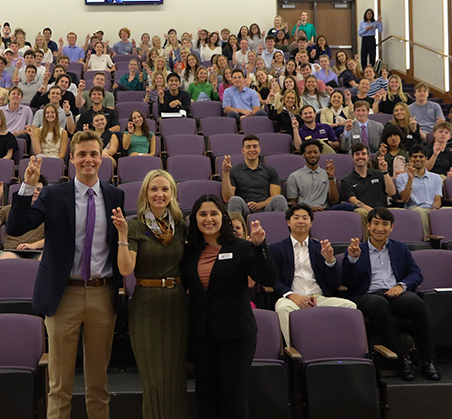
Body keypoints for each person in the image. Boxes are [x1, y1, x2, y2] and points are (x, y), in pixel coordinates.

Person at [6, 132, 125, 419]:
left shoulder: (115, 195)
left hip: (102, 294)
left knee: (98, 384)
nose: (88, 160)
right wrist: (27, 186)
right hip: (63, 296)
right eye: (81, 154)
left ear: (102, 158)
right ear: (71, 159)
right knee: (59, 385)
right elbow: (17, 227)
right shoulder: (53, 194)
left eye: (93, 154)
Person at [181, 194, 274, 419]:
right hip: (202, 334)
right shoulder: (189, 251)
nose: (208, 219)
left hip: (236, 335)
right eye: (203, 214)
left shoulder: (241, 247)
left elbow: (267, 278)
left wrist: (260, 246)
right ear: (195, 219)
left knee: (234, 398)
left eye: (214, 213)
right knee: (206, 396)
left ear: (223, 217)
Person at [108, 170, 189, 419]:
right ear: (145, 193)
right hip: (146, 305)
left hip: (176, 304)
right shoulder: (135, 225)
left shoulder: (181, 226)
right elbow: (125, 269)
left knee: (175, 379)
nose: (159, 194)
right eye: (154, 189)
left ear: (172, 193)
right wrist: (122, 234)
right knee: (153, 379)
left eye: (165, 189)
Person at [342, 208, 440, 381]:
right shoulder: (357, 249)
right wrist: (353, 259)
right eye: (376, 223)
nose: (380, 228)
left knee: (417, 303)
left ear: (391, 227)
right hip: (368, 294)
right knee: (379, 305)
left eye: (385, 224)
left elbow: (416, 273)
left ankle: (427, 359)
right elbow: (347, 282)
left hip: (395, 292)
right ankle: (403, 358)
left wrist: (401, 286)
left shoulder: (400, 248)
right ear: (368, 225)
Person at [270, 203, 357, 345]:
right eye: (296, 217)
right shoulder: (276, 249)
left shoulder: (319, 248)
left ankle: (338, 347)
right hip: (292, 299)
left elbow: (335, 283)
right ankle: (294, 350)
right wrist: (291, 295)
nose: (300, 221)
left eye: (305, 218)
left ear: (311, 223)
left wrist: (330, 260)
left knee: (350, 307)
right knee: (282, 308)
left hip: (318, 298)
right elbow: (274, 280)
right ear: (288, 222)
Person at [222, 135, 288, 217]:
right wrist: (225, 172)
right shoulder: (234, 171)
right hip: (244, 208)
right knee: (234, 200)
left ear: (259, 149)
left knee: (279, 199)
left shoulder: (270, 170)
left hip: (266, 208)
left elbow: (275, 195)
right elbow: (227, 198)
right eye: (248, 147)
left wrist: (260, 204)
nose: (252, 150)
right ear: (243, 151)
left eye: (255, 146)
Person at [0, 179, 46, 260]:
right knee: (6, 259)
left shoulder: (48, 211)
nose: (35, 191)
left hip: (38, 251)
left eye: (39, 190)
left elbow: (53, 237)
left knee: (45, 260)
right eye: (32, 188)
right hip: (12, 250)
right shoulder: (9, 209)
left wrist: (33, 245)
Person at [395, 145, 443, 237]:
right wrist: (410, 178)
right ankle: (428, 240)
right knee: (420, 212)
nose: (418, 159)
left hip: (432, 208)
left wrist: (434, 210)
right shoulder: (401, 178)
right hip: (413, 208)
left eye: (421, 156)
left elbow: (438, 199)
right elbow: (405, 199)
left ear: (426, 159)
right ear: (410, 159)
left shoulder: (436, 177)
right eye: (415, 156)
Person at [341, 143, 396, 222]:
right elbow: (354, 200)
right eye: (357, 154)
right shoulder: (346, 181)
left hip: (382, 210)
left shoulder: (378, 174)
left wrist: (384, 171)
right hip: (364, 212)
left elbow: (392, 192)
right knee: (361, 212)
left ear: (368, 156)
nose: (360, 157)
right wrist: (373, 212)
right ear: (352, 157)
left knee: (402, 212)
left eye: (363, 154)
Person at [286, 140, 340, 210]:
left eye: (315, 152)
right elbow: (293, 202)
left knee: (347, 206)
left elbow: (334, 201)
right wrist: (310, 209)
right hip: (305, 211)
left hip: (325, 210)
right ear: (303, 154)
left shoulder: (327, 174)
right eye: (309, 153)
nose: (313, 155)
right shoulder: (294, 176)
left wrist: (331, 177)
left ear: (320, 154)